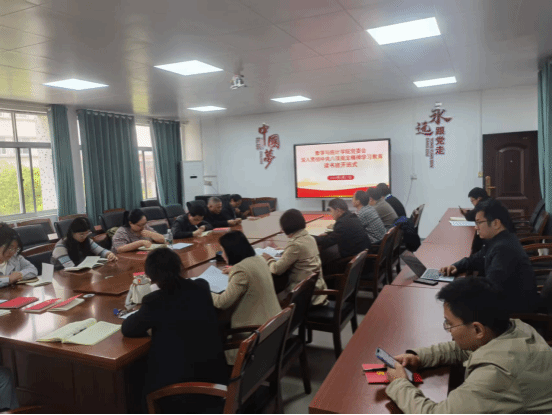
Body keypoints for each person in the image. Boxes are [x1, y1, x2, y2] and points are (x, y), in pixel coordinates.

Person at [385, 277, 552, 414]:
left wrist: (399, 383)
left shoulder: (497, 375)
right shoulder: (514, 328)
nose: (448, 330)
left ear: (477, 329)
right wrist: (419, 358)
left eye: (450, 323)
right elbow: (464, 349)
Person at [122, 248, 228, 413]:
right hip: (215, 377)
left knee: (136, 379)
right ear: (179, 267)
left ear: (151, 276)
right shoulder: (201, 286)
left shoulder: (155, 300)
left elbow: (128, 328)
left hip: (181, 390)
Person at [440, 199, 538, 314]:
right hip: (506, 299)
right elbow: (476, 259)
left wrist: (459, 285)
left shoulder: (504, 248)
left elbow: (491, 287)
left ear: (496, 223)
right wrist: (456, 266)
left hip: (515, 309)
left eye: (479, 222)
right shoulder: (498, 240)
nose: (476, 227)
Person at [212, 231, 282, 363]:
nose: (222, 255)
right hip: (272, 325)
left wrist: (204, 290)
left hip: (254, 334)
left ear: (231, 251)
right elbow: (249, 271)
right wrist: (233, 270)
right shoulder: (259, 259)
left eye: (223, 251)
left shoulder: (241, 270)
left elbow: (222, 302)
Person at [262, 209, 328, 306]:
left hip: (303, 296)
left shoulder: (295, 244)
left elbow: (276, 269)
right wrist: (286, 250)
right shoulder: (310, 238)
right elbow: (301, 251)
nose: (282, 230)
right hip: (316, 290)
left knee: (267, 300)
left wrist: (269, 259)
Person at [314, 198, 370, 264]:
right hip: (361, 254)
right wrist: (329, 234)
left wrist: (310, 238)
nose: (331, 214)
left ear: (338, 210)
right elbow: (341, 233)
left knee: (323, 255)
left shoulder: (343, 223)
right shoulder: (351, 216)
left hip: (352, 260)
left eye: (331, 211)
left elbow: (327, 241)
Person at [51, 217, 117, 269]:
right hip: (62, 276)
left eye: (87, 233)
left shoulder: (86, 240)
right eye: (81, 234)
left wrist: (109, 254)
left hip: (80, 273)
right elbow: (70, 267)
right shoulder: (61, 246)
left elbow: (101, 251)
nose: (84, 236)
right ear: (72, 233)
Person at [0, 223, 37, 288]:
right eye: (10, 248)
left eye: (16, 248)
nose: (13, 252)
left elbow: (33, 269)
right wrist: (8, 279)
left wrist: (20, 275)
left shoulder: (15, 257)